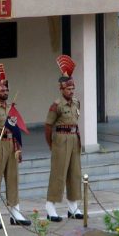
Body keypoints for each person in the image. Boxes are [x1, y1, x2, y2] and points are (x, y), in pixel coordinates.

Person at [0, 63, 31, 229]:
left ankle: (15, 212)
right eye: (2, 90)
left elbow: (15, 129)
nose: (6, 92)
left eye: (7, 89)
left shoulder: (11, 108)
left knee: (13, 179)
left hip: (11, 145)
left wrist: (19, 148)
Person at [44, 55, 84, 222]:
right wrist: (51, 144)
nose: (71, 91)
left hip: (74, 138)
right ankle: (50, 206)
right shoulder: (56, 105)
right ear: (61, 89)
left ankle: (73, 206)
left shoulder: (76, 103)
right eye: (68, 89)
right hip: (60, 139)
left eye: (73, 88)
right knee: (58, 174)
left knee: (74, 173)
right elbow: (48, 126)